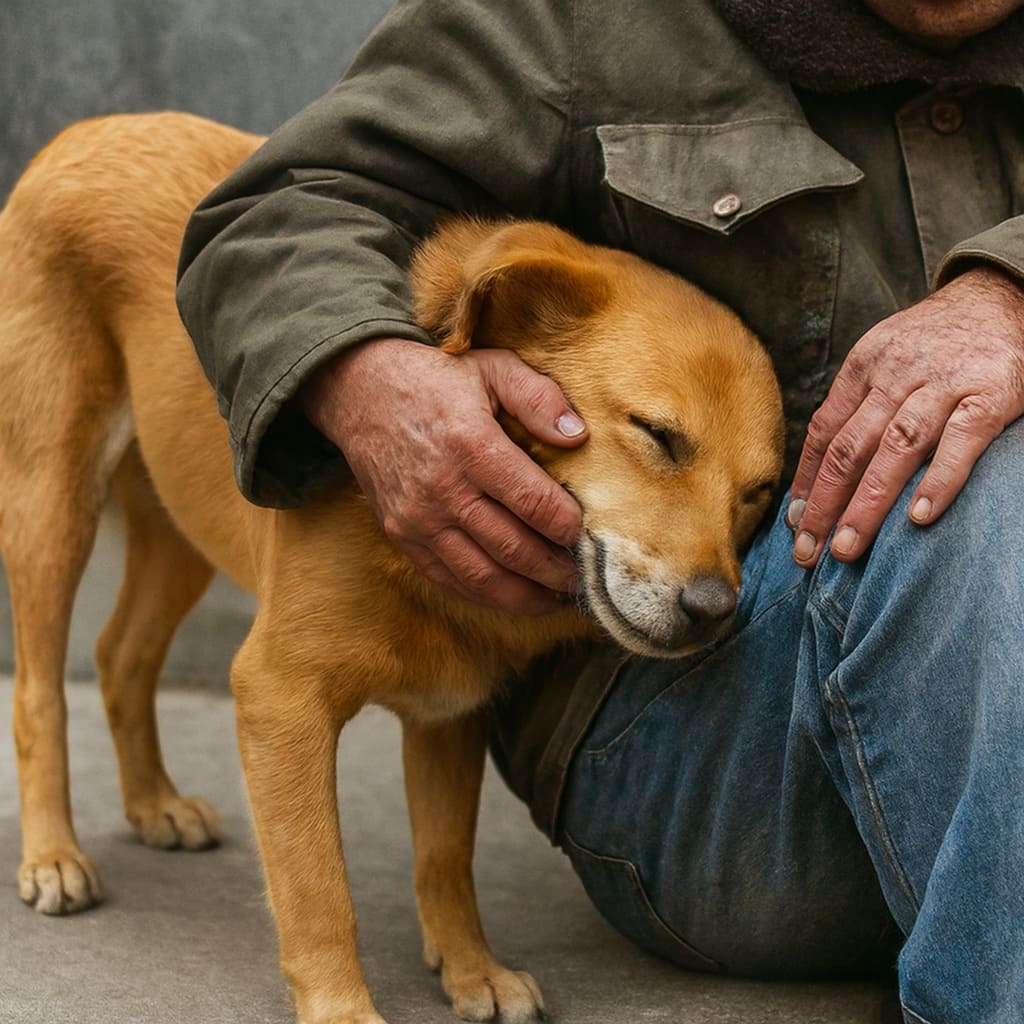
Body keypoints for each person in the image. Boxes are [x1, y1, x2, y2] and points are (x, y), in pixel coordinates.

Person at [175, 2, 1024, 1021]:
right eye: (661, 441)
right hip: (698, 731)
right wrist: (369, 376)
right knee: (985, 479)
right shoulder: (578, 18)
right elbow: (276, 213)